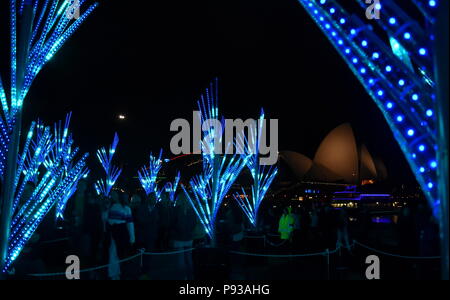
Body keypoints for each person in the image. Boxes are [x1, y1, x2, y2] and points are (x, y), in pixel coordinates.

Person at [107, 190, 135, 280]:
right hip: (112, 232)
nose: (113, 196)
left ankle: (120, 273)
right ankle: (114, 274)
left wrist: (132, 237)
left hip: (121, 232)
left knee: (119, 253)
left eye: (114, 195)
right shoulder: (110, 206)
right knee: (113, 253)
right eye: (112, 195)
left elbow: (130, 223)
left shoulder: (126, 208)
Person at [170, 193, 197, 280]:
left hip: (179, 238)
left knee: (180, 260)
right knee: (188, 258)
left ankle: (183, 277)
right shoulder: (192, 210)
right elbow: (193, 224)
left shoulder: (176, 210)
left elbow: (173, 223)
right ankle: (190, 276)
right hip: (188, 237)